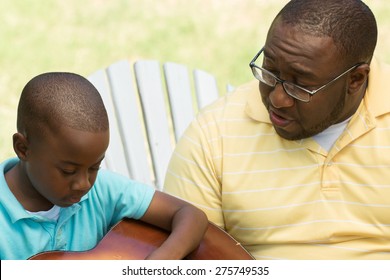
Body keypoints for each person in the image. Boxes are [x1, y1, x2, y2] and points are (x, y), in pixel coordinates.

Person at [164, 0, 390, 260]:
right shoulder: (213, 134)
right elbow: (188, 261)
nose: (277, 99)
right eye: (270, 71)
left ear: (356, 79)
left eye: (300, 86)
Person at [0, 72, 208, 260]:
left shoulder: (101, 191)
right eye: (68, 171)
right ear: (23, 149)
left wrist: (161, 261)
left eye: (95, 167)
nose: (84, 184)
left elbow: (189, 215)